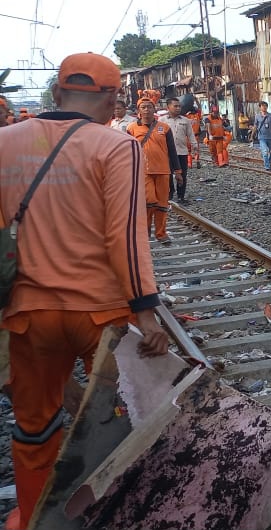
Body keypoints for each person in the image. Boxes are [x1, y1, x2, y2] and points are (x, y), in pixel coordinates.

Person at [0, 52, 170, 530]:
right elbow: (126, 236)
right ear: (114, 98)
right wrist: (147, 312)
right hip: (100, 316)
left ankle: (37, 518)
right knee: (121, 417)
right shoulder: (117, 147)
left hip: (28, 314)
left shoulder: (3, 142)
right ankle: (114, 513)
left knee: (34, 430)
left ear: (56, 93)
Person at [128, 97, 183, 244]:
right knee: (149, 201)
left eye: (149, 107)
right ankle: (144, 232)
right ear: (139, 110)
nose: (146, 110)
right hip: (143, 171)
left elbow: (172, 151)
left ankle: (161, 234)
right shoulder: (131, 129)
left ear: (154, 109)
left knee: (162, 204)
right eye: (143, 107)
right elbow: (127, 152)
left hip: (163, 171)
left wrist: (178, 171)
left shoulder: (164, 128)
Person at [160, 96, 198, 204]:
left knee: (182, 175)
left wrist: (194, 146)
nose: (178, 108)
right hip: (166, 153)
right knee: (167, 175)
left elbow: (190, 135)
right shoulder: (161, 121)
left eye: (179, 106)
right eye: (175, 106)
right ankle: (170, 194)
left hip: (181, 152)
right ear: (168, 107)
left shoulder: (185, 121)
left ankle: (181, 196)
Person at [253, 101, 271, 171]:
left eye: (265, 106)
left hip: (270, 137)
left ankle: (268, 162)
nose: (264, 107)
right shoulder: (257, 116)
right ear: (260, 107)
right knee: (265, 152)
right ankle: (267, 167)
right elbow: (255, 126)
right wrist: (252, 135)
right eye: (263, 106)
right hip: (261, 137)